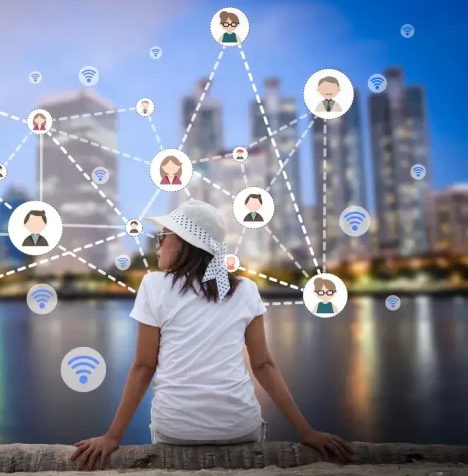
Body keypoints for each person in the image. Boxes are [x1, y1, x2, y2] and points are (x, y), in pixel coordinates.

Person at [70, 200, 353, 470]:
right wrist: (306, 431)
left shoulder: (153, 285)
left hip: (176, 429)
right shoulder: (245, 289)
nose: (156, 245)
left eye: (162, 236)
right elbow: (263, 365)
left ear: (183, 241)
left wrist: (112, 437)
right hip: (239, 427)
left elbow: (144, 366)